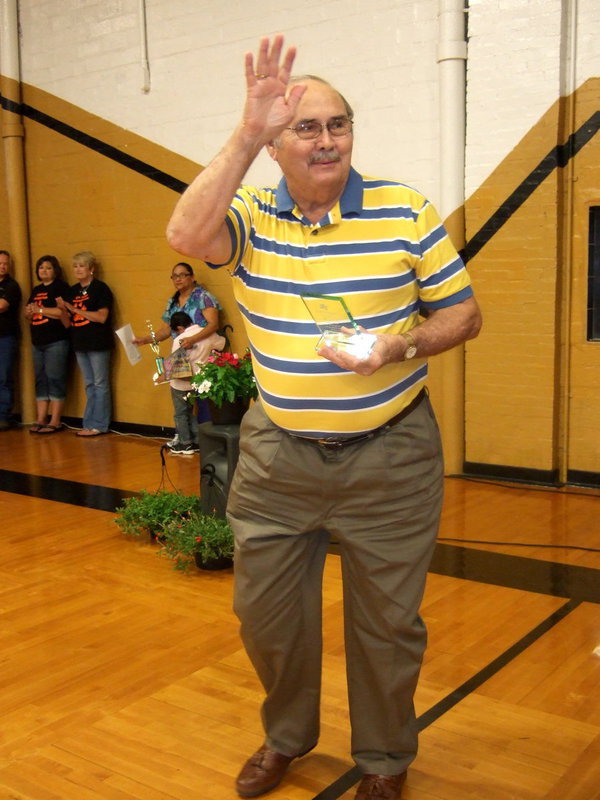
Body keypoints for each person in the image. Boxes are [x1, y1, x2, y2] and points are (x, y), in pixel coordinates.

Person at [166, 35, 482, 800]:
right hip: (278, 456)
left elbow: (465, 316)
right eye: (305, 127)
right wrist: (244, 132)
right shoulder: (246, 218)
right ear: (275, 144)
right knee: (266, 616)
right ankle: (287, 738)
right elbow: (185, 237)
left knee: (387, 628)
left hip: (391, 453)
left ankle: (382, 758)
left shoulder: (406, 210)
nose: (327, 139)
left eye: (337, 123)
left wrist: (398, 343)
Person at [133, 261, 222, 444]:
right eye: (175, 276)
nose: (178, 279)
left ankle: (206, 441)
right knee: (182, 399)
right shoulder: (172, 301)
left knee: (203, 398)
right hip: (181, 356)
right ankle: (187, 438)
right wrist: (147, 339)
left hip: (201, 353)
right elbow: (166, 330)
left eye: (182, 275)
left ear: (192, 277)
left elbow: (213, 324)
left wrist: (192, 339)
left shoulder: (203, 297)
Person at [57, 251, 114, 436]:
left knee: (100, 383)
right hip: (79, 341)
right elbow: (68, 323)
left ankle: (100, 424)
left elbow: (102, 317)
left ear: (91, 269)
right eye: (75, 266)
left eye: (82, 266)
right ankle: (88, 423)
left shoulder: (100, 288)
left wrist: (75, 309)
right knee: (89, 384)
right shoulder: (72, 291)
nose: (78, 269)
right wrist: (63, 311)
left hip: (98, 342)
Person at [155, 310, 225, 456]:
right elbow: (221, 344)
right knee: (194, 412)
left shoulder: (180, 339)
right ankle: (197, 441)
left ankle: (185, 443)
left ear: (179, 328)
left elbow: (175, 364)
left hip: (180, 384)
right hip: (199, 382)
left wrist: (163, 376)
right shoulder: (207, 334)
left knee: (181, 413)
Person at [24, 255, 70, 433]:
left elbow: (62, 313)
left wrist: (40, 310)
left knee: (55, 378)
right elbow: (29, 313)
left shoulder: (60, 288)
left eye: (48, 268)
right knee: (40, 380)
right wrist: (29, 312)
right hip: (38, 341)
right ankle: (41, 417)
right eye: (41, 267)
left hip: (56, 340)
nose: (44, 270)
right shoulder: (36, 290)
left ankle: (55, 419)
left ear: (55, 270)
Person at [0, 250, 22, 431]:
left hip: (5, 337)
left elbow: (1, 306)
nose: (3, 266)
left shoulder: (11, 286)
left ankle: (4, 416)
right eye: (0, 263)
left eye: (6, 263)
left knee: (4, 376)